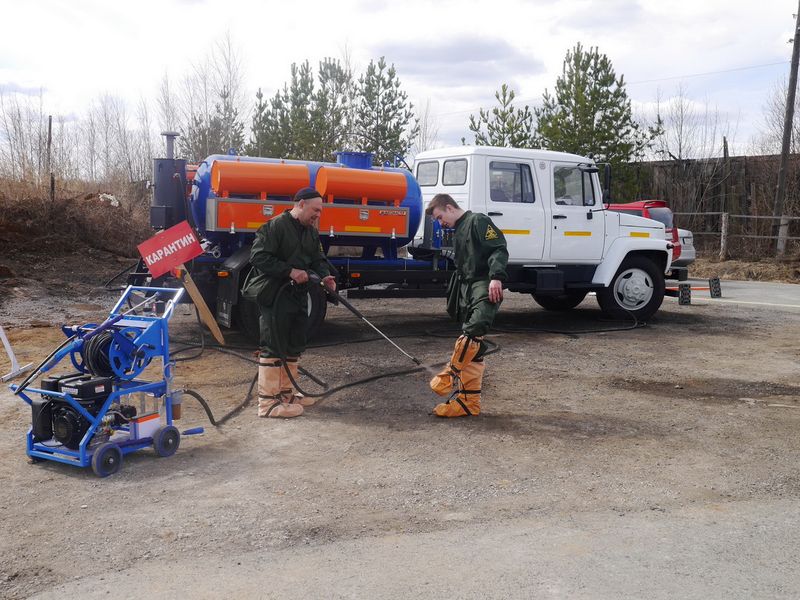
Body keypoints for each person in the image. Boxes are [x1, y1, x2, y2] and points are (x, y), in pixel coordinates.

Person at [243, 187, 336, 418]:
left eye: (320, 211)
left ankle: (286, 394)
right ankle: (267, 403)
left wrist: (325, 276)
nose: (318, 215)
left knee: (294, 344)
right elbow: (258, 256)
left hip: (298, 295)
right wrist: (289, 271)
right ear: (301, 204)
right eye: (315, 210)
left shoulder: (311, 232)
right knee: (273, 346)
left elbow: (317, 258)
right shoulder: (275, 226)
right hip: (276, 295)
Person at [426, 193, 508, 417]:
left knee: (473, 331)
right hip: (465, 288)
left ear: (450, 207)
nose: (440, 222)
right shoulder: (458, 228)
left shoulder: (477, 221)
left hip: (483, 284)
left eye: (440, 217)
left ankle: (449, 374)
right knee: (473, 346)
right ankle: (467, 403)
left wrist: (496, 277)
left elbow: (498, 248)